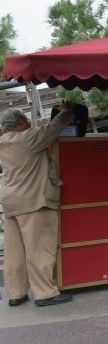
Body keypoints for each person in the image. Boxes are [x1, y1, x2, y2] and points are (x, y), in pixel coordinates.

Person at [0, 102, 75, 306]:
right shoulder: (27, 139)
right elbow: (52, 129)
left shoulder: (3, 142)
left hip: (11, 202)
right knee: (39, 248)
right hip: (33, 200)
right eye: (26, 119)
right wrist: (66, 112)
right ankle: (45, 293)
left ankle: (16, 293)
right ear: (21, 122)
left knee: (15, 252)